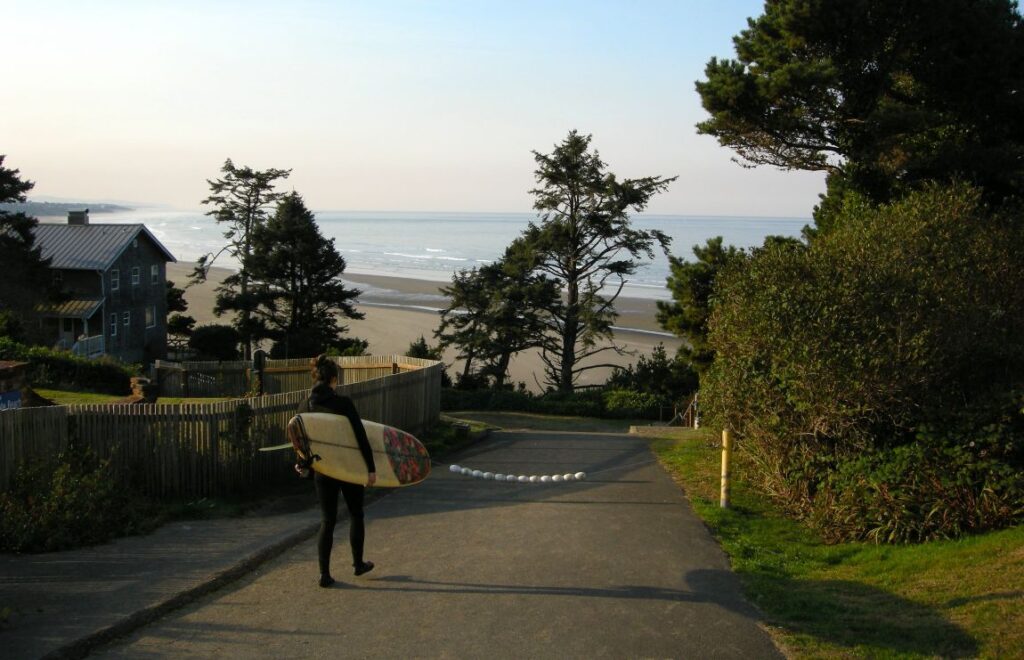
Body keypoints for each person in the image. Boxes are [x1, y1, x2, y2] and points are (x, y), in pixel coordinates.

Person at [297, 354, 377, 587]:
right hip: (348, 467)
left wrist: (302, 463)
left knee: (327, 520)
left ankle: (324, 574)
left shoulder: (305, 404)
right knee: (356, 514)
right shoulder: (343, 403)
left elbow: (300, 440)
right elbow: (360, 437)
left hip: (323, 470)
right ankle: (358, 564)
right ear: (333, 379)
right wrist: (370, 469)